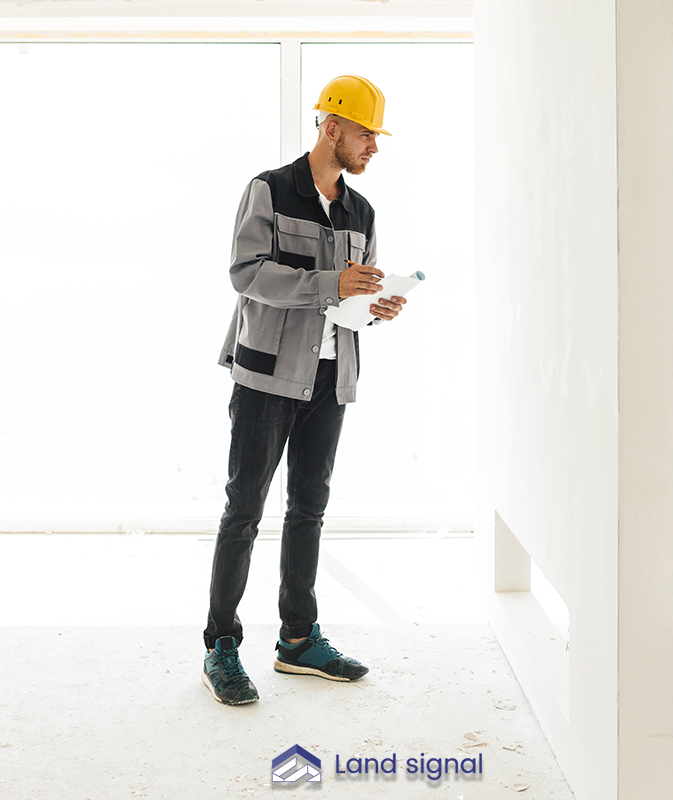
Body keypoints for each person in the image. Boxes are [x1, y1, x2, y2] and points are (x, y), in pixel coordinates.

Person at [202, 75, 407, 705]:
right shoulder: (269, 190)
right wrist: (330, 285)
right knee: (244, 511)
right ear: (332, 127)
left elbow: (352, 295)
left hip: (329, 375)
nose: (374, 147)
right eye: (366, 134)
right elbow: (247, 274)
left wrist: (377, 306)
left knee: (308, 508)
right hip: (267, 374)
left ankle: (297, 641)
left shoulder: (361, 212)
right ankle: (221, 648)